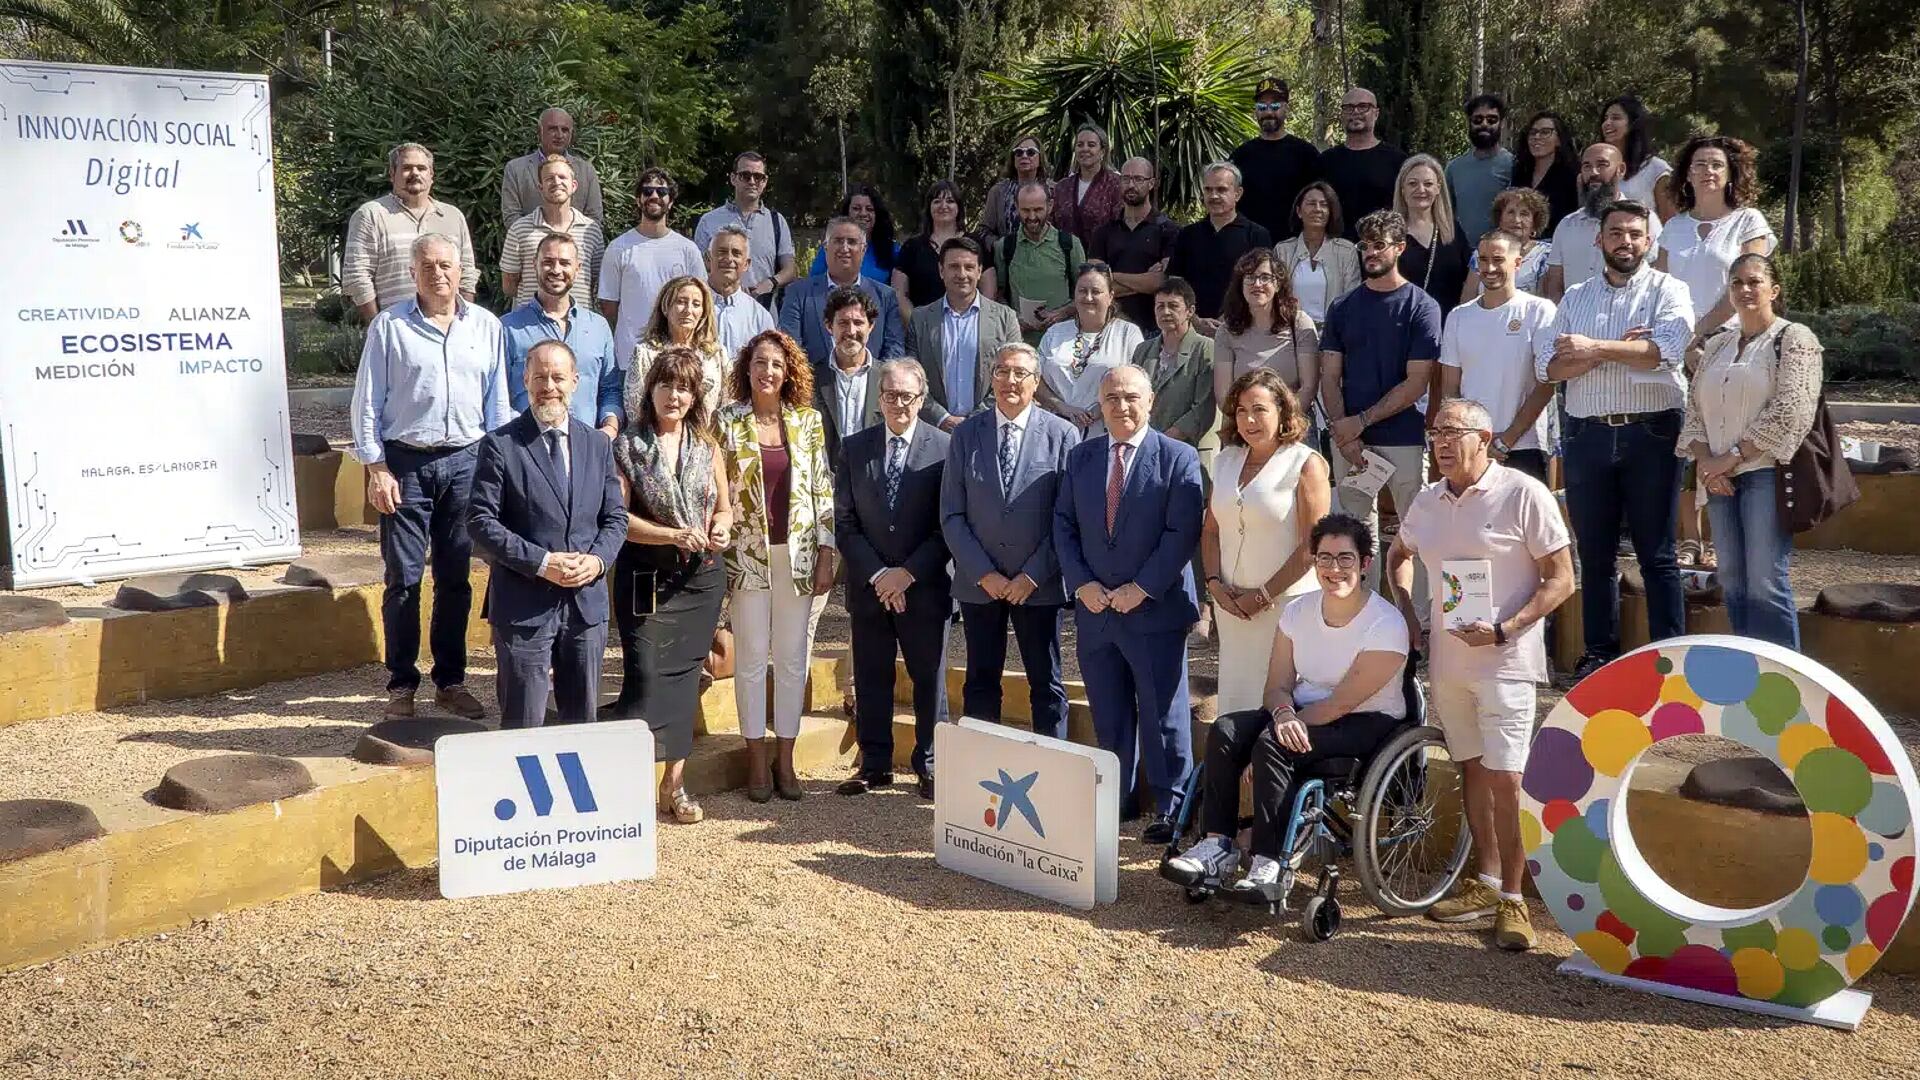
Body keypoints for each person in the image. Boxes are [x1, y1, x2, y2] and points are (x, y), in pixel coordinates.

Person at [1387, 398, 1574, 952]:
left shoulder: (1525, 493)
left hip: (1507, 663)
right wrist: (1406, 610)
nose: (1441, 442)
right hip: (1449, 663)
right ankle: (1487, 882)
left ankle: (1515, 901)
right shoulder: (1426, 500)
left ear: (1485, 437)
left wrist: (1507, 627)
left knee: (1507, 779)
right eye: (1435, 433)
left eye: (1453, 432)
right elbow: (1397, 553)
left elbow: (1562, 579)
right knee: (1470, 769)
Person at [1165, 514, 1409, 899]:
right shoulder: (1297, 612)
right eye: (1324, 558)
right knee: (1226, 730)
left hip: (1366, 721)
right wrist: (1280, 714)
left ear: (1365, 564)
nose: (1334, 568)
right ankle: (1218, 846)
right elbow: (1277, 685)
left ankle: (1268, 860)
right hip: (1297, 712)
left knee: (1273, 746)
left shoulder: (1386, 624)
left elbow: (1340, 704)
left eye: (1345, 559)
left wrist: (1272, 732)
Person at [348, 234, 510, 719]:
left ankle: (450, 681)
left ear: (461, 271)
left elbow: (496, 405)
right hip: (405, 465)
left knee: (456, 579)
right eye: (428, 266)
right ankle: (401, 686)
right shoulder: (389, 327)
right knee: (402, 578)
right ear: (413, 272)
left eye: (446, 265)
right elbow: (367, 402)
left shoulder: (486, 326)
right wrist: (376, 467)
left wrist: (496, 470)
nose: (439, 274)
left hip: (467, 462)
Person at [1535, 198, 1694, 679]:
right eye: (1616, 233)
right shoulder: (1575, 298)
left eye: (1634, 234)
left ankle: (1671, 658)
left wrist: (1593, 348)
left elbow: (1665, 351)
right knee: (1595, 553)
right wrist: (1625, 348)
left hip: (1652, 432)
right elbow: (1552, 366)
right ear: (1599, 240)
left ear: (1648, 241)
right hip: (1586, 433)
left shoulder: (1671, 290)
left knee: (1657, 553)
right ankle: (1600, 655)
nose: (1625, 241)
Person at [1053, 364, 1205, 843]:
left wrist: (1141, 588)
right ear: (1100, 404)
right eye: (1112, 398)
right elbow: (1063, 525)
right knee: (1109, 710)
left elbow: (1182, 533)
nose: (1121, 406)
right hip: (1096, 610)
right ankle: (1116, 799)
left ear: (1151, 401)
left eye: (1131, 397)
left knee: (1163, 713)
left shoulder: (1179, 458)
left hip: (1153, 609)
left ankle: (1169, 806)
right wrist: (1082, 584)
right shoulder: (1081, 458)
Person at [467, 340, 628, 729]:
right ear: (525, 380)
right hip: (524, 606)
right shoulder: (500, 445)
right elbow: (480, 521)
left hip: (585, 608)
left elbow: (616, 518)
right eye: (539, 377)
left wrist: (597, 560)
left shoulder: (596, 444)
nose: (548, 386)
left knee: (580, 726)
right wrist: (542, 564)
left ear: (575, 381)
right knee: (523, 725)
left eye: (558, 377)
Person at [607, 348, 732, 823]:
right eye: (667, 384)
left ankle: (674, 786)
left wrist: (720, 526)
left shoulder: (707, 445)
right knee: (644, 676)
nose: (674, 395)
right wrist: (672, 534)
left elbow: (723, 507)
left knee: (682, 681)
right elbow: (618, 519)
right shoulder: (628, 446)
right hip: (645, 574)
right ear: (651, 389)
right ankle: (624, 778)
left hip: (700, 578)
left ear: (695, 395)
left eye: (684, 387)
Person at [1678, 254, 1822, 648]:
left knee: (1765, 580)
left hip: (1765, 472)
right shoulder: (1719, 344)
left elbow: (1792, 409)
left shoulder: (1794, 339)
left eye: (1753, 281)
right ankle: (1751, 672)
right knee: (1734, 581)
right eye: (1736, 282)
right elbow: (1694, 409)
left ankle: (1785, 676)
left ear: (1773, 290)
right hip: (1718, 478)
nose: (1744, 289)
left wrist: (1733, 457)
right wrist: (1708, 462)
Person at [718, 330, 838, 801]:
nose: (767, 371)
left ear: (788, 372)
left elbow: (823, 490)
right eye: (759, 362)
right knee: (749, 661)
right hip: (747, 557)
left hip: (801, 555)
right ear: (746, 369)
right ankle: (755, 762)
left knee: (792, 660)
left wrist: (828, 551)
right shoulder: (726, 421)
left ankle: (785, 759)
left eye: (776, 364)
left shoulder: (807, 421)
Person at [941, 342, 1081, 741]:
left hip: (1038, 584)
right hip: (979, 584)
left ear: (1036, 383)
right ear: (992, 377)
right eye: (1002, 371)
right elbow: (951, 514)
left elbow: (1066, 518)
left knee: (1046, 685)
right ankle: (983, 776)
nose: (1010, 381)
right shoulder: (966, 434)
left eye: (1020, 373)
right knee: (981, 682)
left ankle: (1053, 771)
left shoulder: (1062, 435)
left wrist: (1031, 575)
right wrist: (984, 573)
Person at [835, 359, 952, 800]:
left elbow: (948, 525)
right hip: (870, 588)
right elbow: (845, 523)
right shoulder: (854, 447)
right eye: (890, 395)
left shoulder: (944, 448)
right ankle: (875, 764)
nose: (898, 404)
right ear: (878, 399)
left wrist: (907, 575)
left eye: (907, 396)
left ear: (921, 399)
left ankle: (930, 764)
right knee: (871, 677)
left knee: (929, 679)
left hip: (924, 587)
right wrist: (881, 575)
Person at [1319, 210, 1441, 610]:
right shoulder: (1342, 307)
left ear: (1400, 248)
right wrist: (1343, 431)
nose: (1370, 253)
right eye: (1365, 246)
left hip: (1404, 437)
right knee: (1356, 532)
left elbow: (1417, 382)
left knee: (1415, 530)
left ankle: (1418, 620)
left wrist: (1361, 422)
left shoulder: (1421, 306)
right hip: (1350, 440)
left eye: (1379, 245)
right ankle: (1361, 612)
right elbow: (1329, 376)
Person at [1202, 369, 1330, 715]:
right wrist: (1214, 585)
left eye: (1259, 409)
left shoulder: (1306, 463)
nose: (1249, 419)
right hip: (1231, 607)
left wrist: (1261, 595)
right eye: (1241, 411)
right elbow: (1211, 530)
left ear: (1282, 412)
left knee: (1281, 702)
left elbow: (1312, 548)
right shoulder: (1226, 460)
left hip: (1286, 607)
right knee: (1237, 698)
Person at [1440, 230, 1558, 483]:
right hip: (1471, 450)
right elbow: (1450, 388)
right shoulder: (1458, 316)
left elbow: (1547, 383)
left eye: (1498, 259)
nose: (1489, 267)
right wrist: (1465, 438)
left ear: (1517, 263)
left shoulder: (1539, 310)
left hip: (1524, 447)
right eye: (1483, 260)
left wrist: (1506, 440)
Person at [501, 232, 622, 437]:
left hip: (586, 449)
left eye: (564, 263)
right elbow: (497, 394)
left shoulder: (598, 328)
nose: (556, 270)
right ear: (534, 264)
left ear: (578, 268)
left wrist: (609, 428)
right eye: (548, 262)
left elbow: (610, 390)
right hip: (526, 446)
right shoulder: (507, 328)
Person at [343, 143, 478, 320]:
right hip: (396, 328)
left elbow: (466, 273)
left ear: (431, 175)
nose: (415, 173)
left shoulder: (452, 217)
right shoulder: (371, 215)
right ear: (392, 174)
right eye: (407, 168)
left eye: (422, 168)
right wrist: (379, 325)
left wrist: (465, 322)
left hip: (449, 327)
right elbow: (357, 276)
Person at [1657, 135, 1776, 337]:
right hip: (1676, 338)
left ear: (1730, 174)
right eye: (1700, 164)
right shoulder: (1673, 227)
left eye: (1717, 165)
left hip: (1734, 337)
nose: (1708, 171)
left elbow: (1746, 287)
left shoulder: (1749, 221)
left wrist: (1698, 335)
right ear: (1688, 174)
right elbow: (1660, 288)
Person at [908, 236, 1022, 432]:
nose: (962, 274)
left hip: (989, 427)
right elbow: (911, 377)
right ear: (941, 271)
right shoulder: (920, 319)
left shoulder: (1005, 318)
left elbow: (1014, 375)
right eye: (954, 267)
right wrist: (941, 417)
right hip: (933, 430)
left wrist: (976, 419)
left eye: (969, 267)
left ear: (979, 271)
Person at [598, 168, 706, 372]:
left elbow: (702, 305)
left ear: (671, 202)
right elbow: (609, 307)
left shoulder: (688, 250)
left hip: (677, 360)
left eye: (661, 192)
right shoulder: (618, 248)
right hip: (629, 360)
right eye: (647, 191)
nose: (654, 196)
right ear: (638, 200)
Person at [1213, 247, 1321, 432]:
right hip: (1245, 430)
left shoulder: (1300, 323)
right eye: (1250, 277)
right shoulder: (1226, 331)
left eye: (1265, 277)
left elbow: (1309, 386)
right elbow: (1224, 396)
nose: (1257, 284)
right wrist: (1251, 424)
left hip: (1291, 426)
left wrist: (1278, 423)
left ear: (1278, 284)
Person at [1542, 144, 1662, 301]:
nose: (1593, 173)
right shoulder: (1567, 225)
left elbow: (1655, 274)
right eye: (1587, 166)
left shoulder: (1644, 221)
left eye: (1602, 165)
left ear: (1621, 170)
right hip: (1574, 322)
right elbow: (1555, 284)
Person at [779, 216, 907, 365]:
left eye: (852, 242)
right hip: (813, 386)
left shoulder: (885, 296)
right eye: (838, 241)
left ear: (863, 249)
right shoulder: (798, 293)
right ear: (825, 247)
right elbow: (791, 349)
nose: (844, 248)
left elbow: (894, 349)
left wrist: (876, 383)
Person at [1036, 261, 1145, 432]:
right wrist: (1063, 407)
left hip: (1106, 429)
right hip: (1055, 429)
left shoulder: (1128, 334)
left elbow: (1137, 383)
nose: (1088, 298)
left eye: (1096, 292)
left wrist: (1099, 409)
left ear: (1110, 296)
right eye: (1082, 291)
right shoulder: (1055, 333)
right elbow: (1035, 378)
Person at [1167, 162, 1274, 330]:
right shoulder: (1187, 235)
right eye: (1208, 190)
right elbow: (1175, 281)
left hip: (1242, 329)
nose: (1214, 196)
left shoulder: (1257, 235)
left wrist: (1228, 319)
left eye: (1221, 190)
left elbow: (1263, 284)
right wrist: (1194, 319)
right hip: (1192, 330)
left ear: (1238, 194)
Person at [500, 155, 606, 308]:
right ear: (541, 187)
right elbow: (509, 286)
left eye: (562, 177)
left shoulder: (591, 231)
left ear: (574, 185)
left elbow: (596, 281)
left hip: (578, 325)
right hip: (530, 325)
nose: (557, 182)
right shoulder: (519, 229)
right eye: (550, 178)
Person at [693, 151, 796, 305]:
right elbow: (697, 268)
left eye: (758, 177)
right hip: (717, 309)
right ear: (733, 178)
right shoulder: (709, 221)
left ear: (765, 181)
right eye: (745, 176)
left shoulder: (777, 222)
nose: (752, 181)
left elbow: (790, 269)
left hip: (764, 310)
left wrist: (770, 283)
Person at [1089, 157, 1181, 331]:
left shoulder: (1169, 231)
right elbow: (1095, 284)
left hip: (1153, 329)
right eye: (1126, 178)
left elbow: (1160, 282)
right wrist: (1143, 280)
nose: (1131, 184)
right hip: (1110, 327)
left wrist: (1110, 276)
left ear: (1151, 183)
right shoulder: (1103, 232)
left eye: (1138, 179)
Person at [1231, 76, 1323, 241]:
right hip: (1250, 246)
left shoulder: (1306, 153)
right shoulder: (1241, 155)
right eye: (1262, 106)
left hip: (1295, 246)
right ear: (1255, 111)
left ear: (1286, 108)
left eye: (1275, 105)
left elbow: (1319, 203)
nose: (1268, 112)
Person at [995, 181, 1085, 345]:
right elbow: (998, 293)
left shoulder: (1069, 245)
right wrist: (1013, 317)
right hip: (1020, 342)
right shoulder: (1005, 247)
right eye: (1025, 210)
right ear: (1017, 207)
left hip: (1062, 343)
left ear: (1050, 206)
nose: (1031, 217)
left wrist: (1061, 313)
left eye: (1038, 210)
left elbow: (1085, 293)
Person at [629, 275, 727, 417]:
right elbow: (635, 410)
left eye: (696, 304)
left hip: (708, 436)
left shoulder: (717, 354)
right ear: (665, 307)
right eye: (681, 302)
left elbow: (726, 405)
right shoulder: (645, 353)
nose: (688, 310)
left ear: (703, 312)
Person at [814, 285, 888, 467]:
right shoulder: (810, 378)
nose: (851, 331)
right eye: (843, 323)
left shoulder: (887, 378)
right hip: (824, 483)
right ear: (829, 326)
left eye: (858, 322)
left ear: (871, 326)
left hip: (872, 486)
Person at [892, 180, 991, 315]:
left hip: (969, 328)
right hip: (923, 329)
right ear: (929, 208)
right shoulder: (912, 247)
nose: (943, 206)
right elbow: (899, 294)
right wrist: (916, 326)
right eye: (937, 201)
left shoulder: (976, 243)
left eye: (950, 201)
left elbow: (989, 290)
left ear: (959, 208)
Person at [1320, 87, 1407, 240]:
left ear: (1376, 113)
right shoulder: (1325, 161)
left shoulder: (1397, 160)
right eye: (1349, 108)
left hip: (1381, 249)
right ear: (1342, 114)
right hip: (1336, 250)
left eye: (1363, 106)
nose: (1355, 112)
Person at [1394, 154, 1471, 322]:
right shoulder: (1390, 235)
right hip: (1403, 329)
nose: (1421, 190)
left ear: (1438, 188)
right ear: (1402, 189)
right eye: (1412, 183)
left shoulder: (1453, 231)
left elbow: (1472, 279)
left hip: (1449, 328)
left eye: (1428, 184)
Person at [499, 107, 605, 225]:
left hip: (576, 242)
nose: (559, 135)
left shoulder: (586, 171)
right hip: (528, 241)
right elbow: (511, 216)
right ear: (539, 132)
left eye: (565, 130)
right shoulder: (515, 169)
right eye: (552, 129)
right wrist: (543, 240)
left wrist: (565, 241)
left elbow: (594, 219)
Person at [1275, 182, 1361, 326]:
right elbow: (1275, 298)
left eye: (1324, 204)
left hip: (1332, 335)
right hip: (1290, 334)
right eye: (1311, 203)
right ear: (1299, 211)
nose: (1318, 209)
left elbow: (1352, 301)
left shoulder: (1346, 251)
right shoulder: (1283, 250)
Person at [1446, 93, 1515, 248]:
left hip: (1502, 254)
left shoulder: (1513, 165)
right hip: (1462, 255)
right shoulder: (1454, 168)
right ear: (1469, 123)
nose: (1484, 124)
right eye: (1478, 120)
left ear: (1501, 124)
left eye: (1491, 120)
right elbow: (1445, 213)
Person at [1462, 188, 1553, 303]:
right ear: (1500, 219)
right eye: (1511, 212)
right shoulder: (1482, 251)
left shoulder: (1546, 255)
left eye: (1524, 214)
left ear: (1535, 223)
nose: (1516, 219)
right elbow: (1467, 298)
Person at [707, 223, 777, 360]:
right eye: (721, 252)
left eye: (736, 253)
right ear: (708, 260)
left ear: (746, 264)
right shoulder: (692, 307)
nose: (728, 259)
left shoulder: (760, 317)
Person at [807, 183, 899, 285]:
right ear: (847, 212)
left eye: (869, 209)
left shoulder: (892, 251)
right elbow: (813, 285)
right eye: (856, 208)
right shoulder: (831, 248)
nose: (863, 214)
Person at [1052, 122, 1123, 244]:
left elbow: (1123, 228)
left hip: (1104, 259)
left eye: (1091, 145)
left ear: (1102, 151)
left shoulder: (1116, 184)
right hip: (1065, 259)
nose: (1085, 149)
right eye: (1080, 145)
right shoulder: (1062, 187)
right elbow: (1052, 226)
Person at [982, 133, 1052, 254]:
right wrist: (999, 246)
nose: (1024, 156)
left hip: (1047, 258)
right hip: (1007, 260)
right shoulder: (998, 192)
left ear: (1040, 158)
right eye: (1019, 152)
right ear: (1013, 159)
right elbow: (984, 231)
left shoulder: (1053, 190)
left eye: (1030, 152)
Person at [1599, 95, 1671, 212]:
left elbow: (1669, 222)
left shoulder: (1656, 169)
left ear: (1633, 124)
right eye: (1605, 118)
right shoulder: (1597, 169)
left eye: (1616, 118)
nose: (1607, 123)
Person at [1515, 110, 1580, 231]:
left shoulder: (1573, 176)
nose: (1537, 137)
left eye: (1545, 132)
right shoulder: (1519, 173)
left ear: (1559, 140)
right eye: (1533, 133)